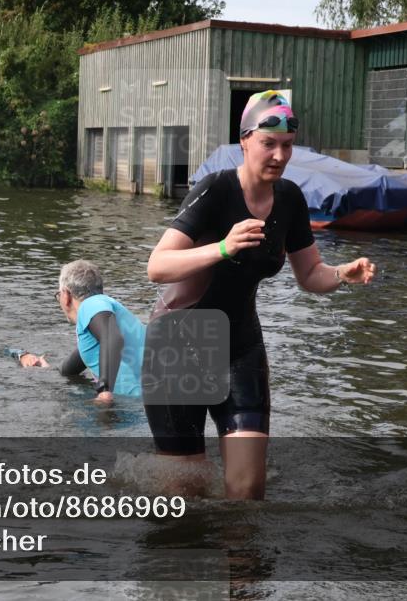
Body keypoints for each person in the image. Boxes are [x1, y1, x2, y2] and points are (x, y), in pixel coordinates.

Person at [144, 90, 376, 500]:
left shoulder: (290, 199)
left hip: (240, 345)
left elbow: (310, 274)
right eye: (269, 144)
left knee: (248, 488)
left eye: (287, 146)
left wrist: (342, 274)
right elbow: (157, 266)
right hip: (178, 345)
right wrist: (222, 248)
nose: (279, 155)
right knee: (185, 493)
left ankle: (242, 562)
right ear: (245, 142)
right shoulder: (216, 189)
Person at [53, 260, 145, 404]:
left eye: (58, 295)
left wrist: (104, 390)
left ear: (66, 295)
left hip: (141, 406)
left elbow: (112, 338)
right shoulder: (99, 318)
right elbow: (68, 369)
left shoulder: (90, 304)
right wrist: (42, 367)